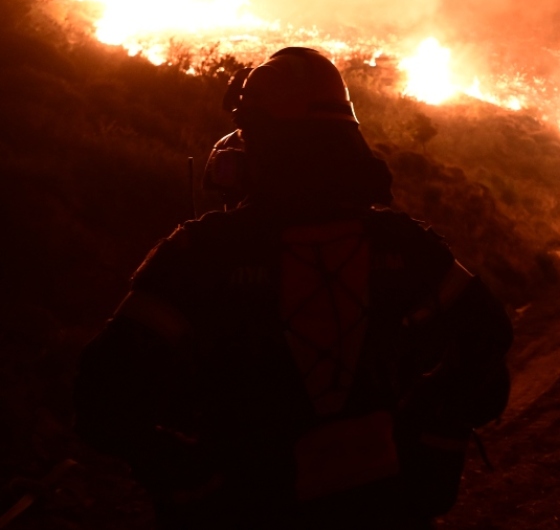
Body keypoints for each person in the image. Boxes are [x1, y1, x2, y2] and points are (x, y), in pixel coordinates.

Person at [74, 47, 513, 530]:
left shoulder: (201, 254)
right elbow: (488, 339)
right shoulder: (405, 246)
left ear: (259, 139)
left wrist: (188, 477)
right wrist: (431, 430)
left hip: (252, 508)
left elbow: (99, 395)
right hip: (384, 506)